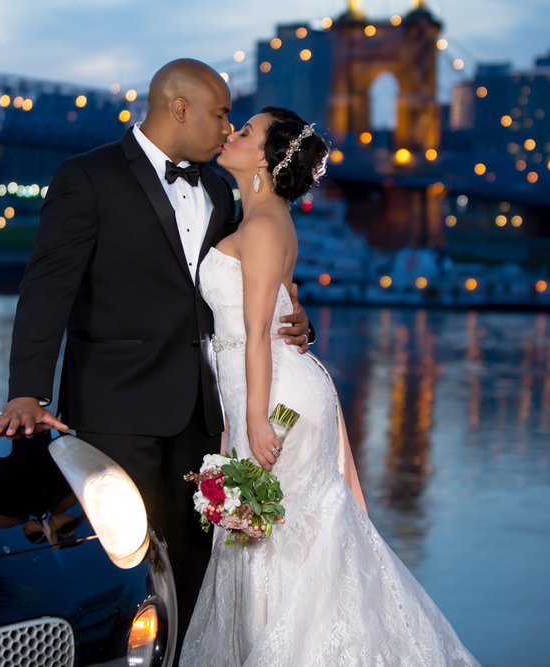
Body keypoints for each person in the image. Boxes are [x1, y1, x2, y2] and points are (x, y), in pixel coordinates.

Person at [0, 60, 314, 658]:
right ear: (179, 108)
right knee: (123, 565)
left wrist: (296, 311)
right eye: (219, 114)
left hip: (204, 411)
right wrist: (28, 391)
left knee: (195, 566)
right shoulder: (87, 177)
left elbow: (241, 280)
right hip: (115, 407)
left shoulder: (217, 189)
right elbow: (47, 289)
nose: (227, 126)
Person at [181, 108, 480, 666]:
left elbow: (254, 332)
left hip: (270, 397)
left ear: (267, 161)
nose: (230, 133)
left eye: (244, 131)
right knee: (273, 543)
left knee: (282, 546)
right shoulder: (260, 219)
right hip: (260, 386)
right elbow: (281, 309)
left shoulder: (265, 224)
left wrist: (251, 418)